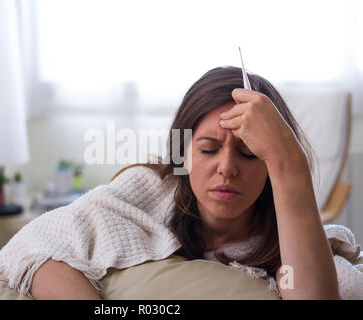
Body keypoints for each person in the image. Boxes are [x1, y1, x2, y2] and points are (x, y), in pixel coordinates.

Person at [28, 66, 339, 300]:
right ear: (183, 153)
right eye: (209, 149)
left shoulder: (288, 235)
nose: (227, 168)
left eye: (248, 154)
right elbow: (35, 247)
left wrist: (291, 163)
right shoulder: (148, 188)